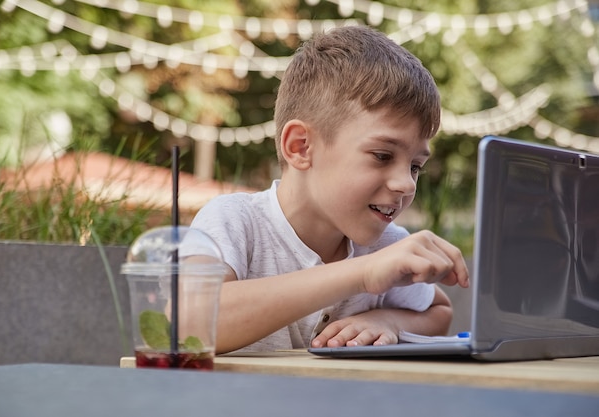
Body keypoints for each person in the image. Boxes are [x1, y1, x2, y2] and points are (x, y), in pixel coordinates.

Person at [190, 25, 470, 354]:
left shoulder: (387, 245)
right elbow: (190, 325)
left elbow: (440, 311)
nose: (406, 183)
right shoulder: (233, 222)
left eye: (415, 166)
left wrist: (388, 321)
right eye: (382, 156)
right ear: (301, 147)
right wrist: (362, 274)